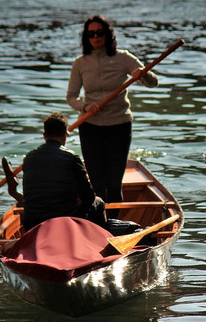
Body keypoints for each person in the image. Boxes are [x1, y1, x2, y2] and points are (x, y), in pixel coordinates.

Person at [66, 15, 159, 208]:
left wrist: (142, 75)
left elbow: (153, 83)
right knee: (97, 184)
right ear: (86, 37)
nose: (96, 36)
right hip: (90, 126)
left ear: (108, 34)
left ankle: (113, 226)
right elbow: (71, 98)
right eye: (91, 33)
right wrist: (85, 106)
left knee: (114, 184)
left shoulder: (123, 58)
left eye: (100, 32)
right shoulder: (80, 63)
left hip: (119, 125)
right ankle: (99, 225)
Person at [20, 112, 106, 232]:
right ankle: (99, 241)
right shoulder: (72, 158)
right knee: (99, 203)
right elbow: (89, 197)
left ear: (44, 135)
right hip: (64, 221)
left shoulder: (28, 158)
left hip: (32, 222)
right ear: (65, 135)